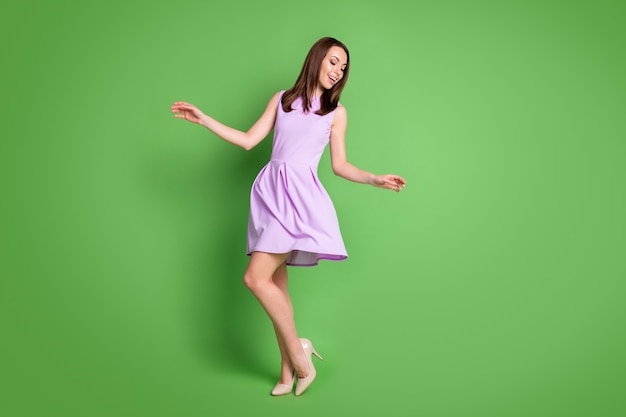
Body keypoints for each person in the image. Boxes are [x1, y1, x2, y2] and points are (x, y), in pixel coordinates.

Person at [170, 37, 406, 396]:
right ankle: (286, 373)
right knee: (276, 285)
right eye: (333, 61)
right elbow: (249, 140)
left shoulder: (336, 112)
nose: (338, 71)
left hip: (300, 199)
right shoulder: (282, 100)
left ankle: (299, 354)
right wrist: (204, 120)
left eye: (343, 67)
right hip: (269, 194)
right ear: (316, 59)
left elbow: (339, 165)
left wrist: (374, 178)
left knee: (255, 279)